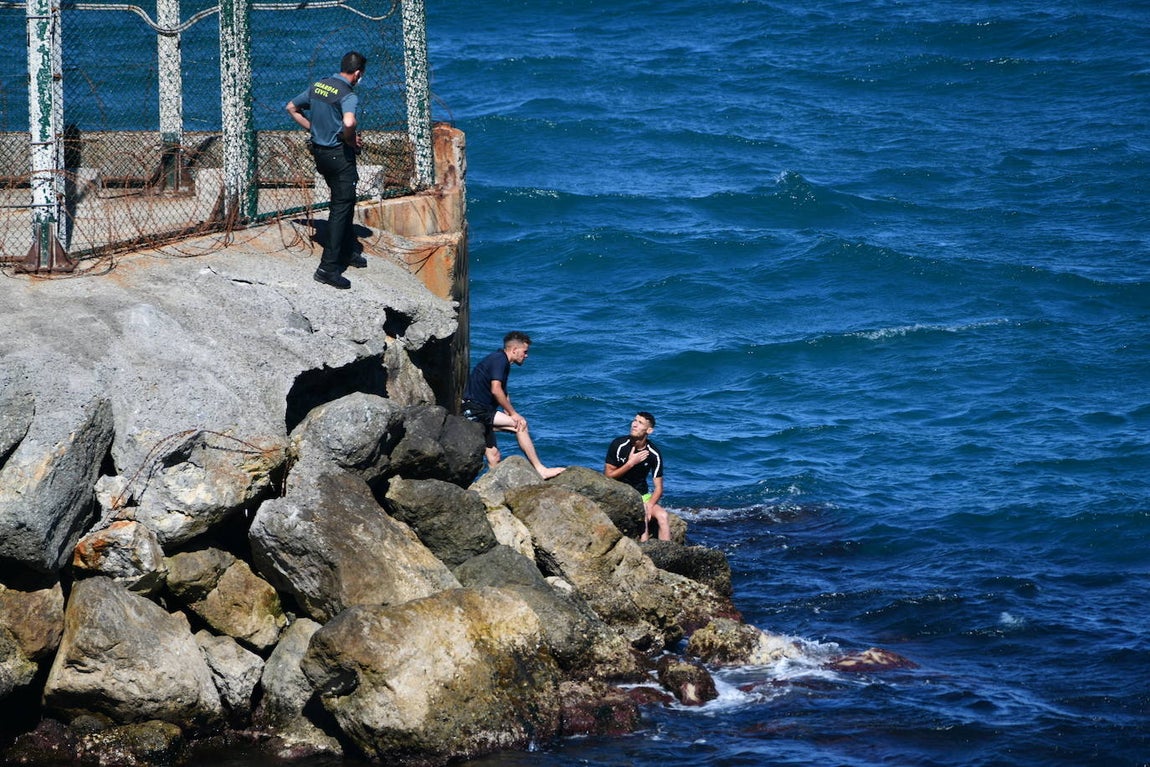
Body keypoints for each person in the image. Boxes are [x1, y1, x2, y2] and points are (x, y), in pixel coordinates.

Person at [286, 51, 368, 290]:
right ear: (358, 73)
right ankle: (327, 268)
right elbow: (349, 122)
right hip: (339, 156)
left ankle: (346, 251)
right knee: (340, 209)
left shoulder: (319, 86)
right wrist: (349, 140)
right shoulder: (348, 95)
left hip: (320, 154)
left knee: (345, 201)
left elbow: (291, 107)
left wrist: (314, 129)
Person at [462, 331, 565, 479]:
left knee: (494, 456)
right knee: (520, 425)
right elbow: (496, 389)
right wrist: (514, 414)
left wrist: (508, 410)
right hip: (476, 410)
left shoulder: (500, 360)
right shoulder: (500, 360)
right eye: (525, 351)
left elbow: (503, 392)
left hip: (479, 410)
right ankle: (540, 468)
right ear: (514, 350)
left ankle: (494, 487)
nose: (526, 355)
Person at [604, 412, 669, 541]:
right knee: (642, 514)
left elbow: (659, 488)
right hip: (619, 492)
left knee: (663, 516)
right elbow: (608, 476)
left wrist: (650, 505)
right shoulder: (619, 445)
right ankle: (644, 551)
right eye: (634, 420)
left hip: (642, 496)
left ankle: (670, 553)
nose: (634, 424)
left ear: (649, 430)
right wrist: (630, 463)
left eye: (640, 423)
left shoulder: (653, 453)